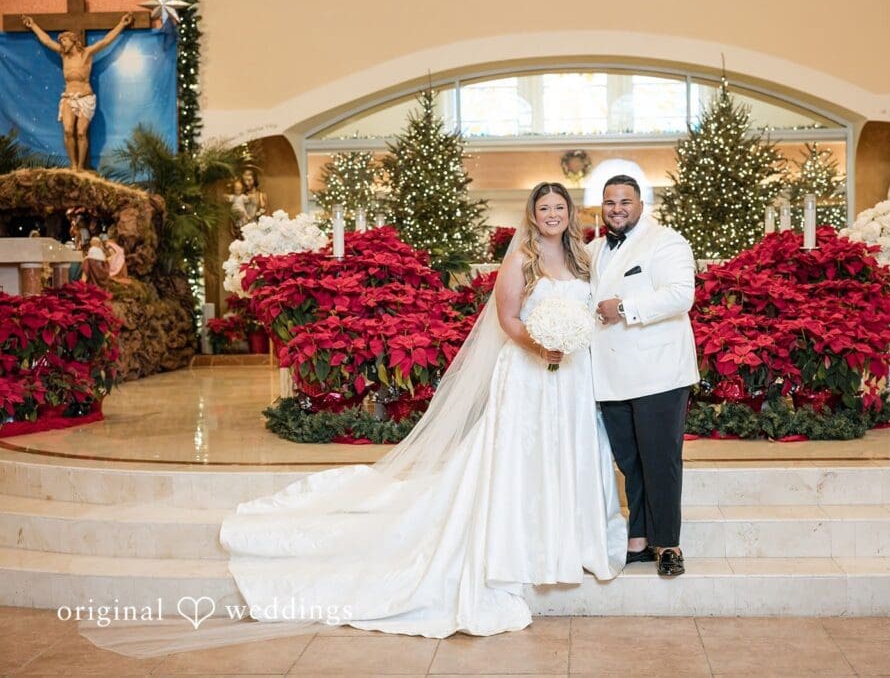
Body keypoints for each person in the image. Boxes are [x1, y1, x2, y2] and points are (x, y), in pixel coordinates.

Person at [216, 182, 625, 638]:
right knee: (521, 455)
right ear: (533, 214)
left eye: (559, 207)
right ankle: (522, 546)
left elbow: (589, 313)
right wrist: (540, 343)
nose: (552, 214)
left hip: (571, 376)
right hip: (530, 371)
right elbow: (508, 318)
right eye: (544, 208)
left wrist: (571, 339)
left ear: (570, 213)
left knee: (567, 451)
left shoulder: (584, 258)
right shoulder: (521, 259)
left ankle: (569, 540)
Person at [590, 174, 699, 577]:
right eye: (609, 202)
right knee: (629, 461)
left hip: (659, 373)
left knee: (660, 459)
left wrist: (624, 308)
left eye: (625, 201)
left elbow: (679, 295)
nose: (617, 209)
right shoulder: (594, 249)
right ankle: (638, 537)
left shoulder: (666, 241)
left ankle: (668, 543)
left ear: (640, 204)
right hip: (610, 374)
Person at [21, 13, 133, 171]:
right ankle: (73, 164)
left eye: (64, 40)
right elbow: (46, 40)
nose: (62, 43)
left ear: (73, 40)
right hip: (68, 97)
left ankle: (80, 166)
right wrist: (33, 26)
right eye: (60, 41)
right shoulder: (63, 55)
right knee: (67, 130)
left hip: (85, 98)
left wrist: (122, 24)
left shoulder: (86, 54)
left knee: (81, 132)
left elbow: (106, 41)